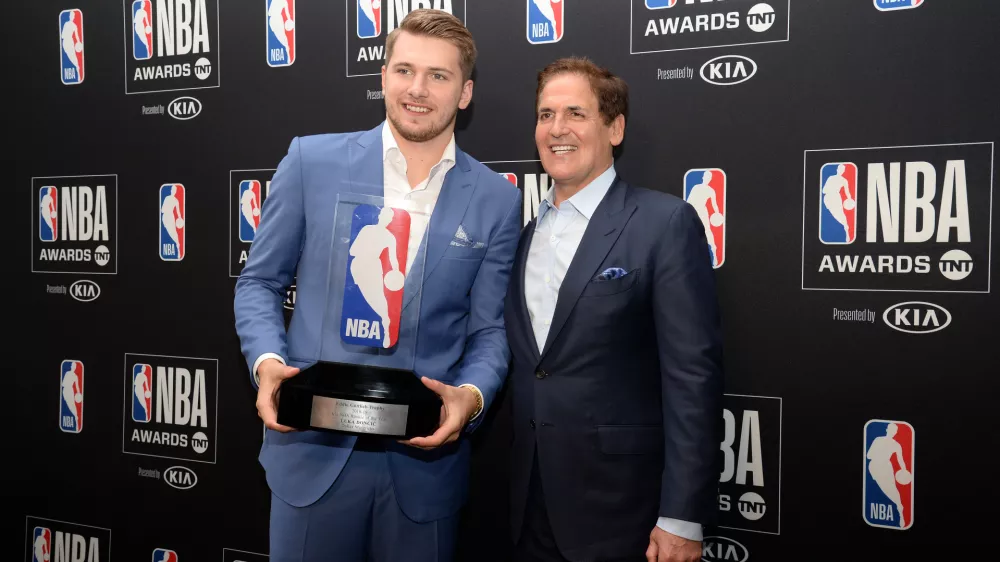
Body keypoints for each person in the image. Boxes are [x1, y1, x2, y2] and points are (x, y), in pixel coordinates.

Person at [234, 9, 521, 562]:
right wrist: (268, 363)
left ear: (465, 93)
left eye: (438, 76)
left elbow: (489, 329)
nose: (418, 89)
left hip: (424, 468)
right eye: (404, 70)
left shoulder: (496, 199)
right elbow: (260, 283)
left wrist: (471, 397)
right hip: (311, 455)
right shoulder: (309, 162)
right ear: (383, 76)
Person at [504, 57, 724, 562]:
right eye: (545, 115)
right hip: (526, 511)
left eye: (576, 114)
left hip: (626, 515)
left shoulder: (664, 222)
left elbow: (693, 378)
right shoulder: (523, 237)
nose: (557, 129)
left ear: (615, 127)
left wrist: (682, 516)